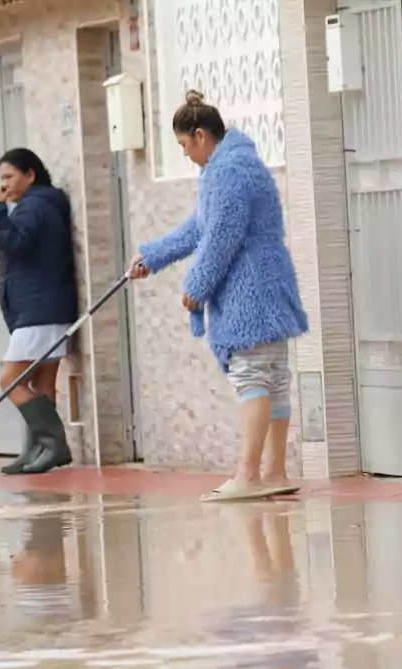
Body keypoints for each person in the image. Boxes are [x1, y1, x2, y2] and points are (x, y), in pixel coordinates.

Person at [129, 91, 309, 502]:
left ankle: (248, 474)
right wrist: (152, 256)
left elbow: (221, 238)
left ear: (199, 136)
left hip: (251, 289)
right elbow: (199, 229)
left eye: (183, 146)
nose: (186, 154)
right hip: (270, 285)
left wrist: (195, 288)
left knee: (252, 376)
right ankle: (274, 470)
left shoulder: (228, 172)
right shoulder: (234, 165)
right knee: (273, 379)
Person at [0, 148, 79, 475]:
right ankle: (35, 449)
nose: (4, 184)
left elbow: (16, 243)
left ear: (30, 175)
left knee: (10, 379)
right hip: (48, 308)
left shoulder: (34, 207)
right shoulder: (43, 204)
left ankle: (54, 445)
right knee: (42, 383)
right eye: (1, 178)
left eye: (9, 176)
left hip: (39, 311)